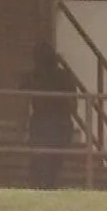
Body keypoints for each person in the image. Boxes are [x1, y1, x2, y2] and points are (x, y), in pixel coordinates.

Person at [20, 42, 77, 189]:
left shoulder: (33, 76)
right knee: (54, 161)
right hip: (61, 123)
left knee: (40, 161)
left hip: (43, 123)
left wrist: (23, 125)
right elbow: (73, 103)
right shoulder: (65, 76)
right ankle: (48, 186)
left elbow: (22, 98)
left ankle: (41, 186)